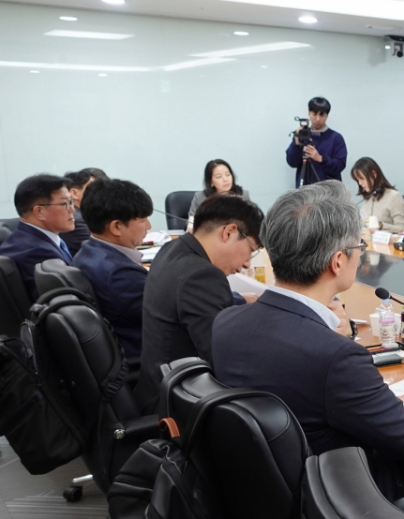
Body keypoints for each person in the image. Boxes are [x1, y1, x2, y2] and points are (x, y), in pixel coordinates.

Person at [212, 181, 404, 499]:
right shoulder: (335, 358)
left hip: (257, 497)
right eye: (359, 246)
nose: (360, 253)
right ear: (337, 261)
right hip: (344, 502)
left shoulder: (226, 322)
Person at [135, 195, 263, 411]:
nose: (247, 264)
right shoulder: (203, 276)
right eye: (251, 250)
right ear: (229, 232)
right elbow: (225, 361)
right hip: (177, 406)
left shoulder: (171, 250)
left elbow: (185, 299)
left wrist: (241, 301)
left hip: (155, 387)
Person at [72, 179, 152, 357]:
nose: (149, 226)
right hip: (143, 355)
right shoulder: (120, 275)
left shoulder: (88, 250)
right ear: (116, 227)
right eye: (143, 220)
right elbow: (167, 315)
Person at [0, 174, 76, 301]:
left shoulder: (23, 237)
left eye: (72, 202)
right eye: (65, 203)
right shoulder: (38, 253)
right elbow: (64, 303)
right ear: (39, 211)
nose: (72, 209)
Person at [285, 96, 347, 187]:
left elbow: (340, 166)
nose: (317, 119)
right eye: (314, 114)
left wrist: (321, 159)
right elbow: (291, 162)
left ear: (327, 116)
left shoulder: (336, 138)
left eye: (322, 115)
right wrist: (296, 143)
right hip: (306, 191)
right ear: (309, 113)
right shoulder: (302, 136)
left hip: (328, 191)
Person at [351, 157, 404, 232]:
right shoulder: (368, 197)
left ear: (374, 174)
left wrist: (381, 225)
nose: (360, 183)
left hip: (388, 239)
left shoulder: (394, 196)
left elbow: (402, 228)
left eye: (362, 178)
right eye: (357, 180)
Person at [62, 168, 108, 255]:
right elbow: (104, 251)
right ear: (74, 193)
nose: (101, 195)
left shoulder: (85, 215)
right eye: (94, 189)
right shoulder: (76, 220)